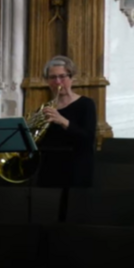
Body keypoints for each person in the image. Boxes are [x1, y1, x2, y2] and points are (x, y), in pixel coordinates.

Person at [36, 55, 98, 187]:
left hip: (76, 169)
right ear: (47, 81)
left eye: (62, 76)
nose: (58, 82)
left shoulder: (86, 104)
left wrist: (63, 121)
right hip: (49, 169)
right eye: (52, 77)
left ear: (71, 78)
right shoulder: (44, 109)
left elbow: (88, 139)